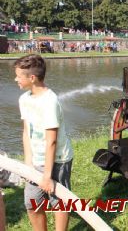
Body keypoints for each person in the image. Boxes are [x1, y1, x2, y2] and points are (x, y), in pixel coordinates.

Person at [14, 54, 73, 231]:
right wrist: (28, 161)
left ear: (32, 78)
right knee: (32, 204)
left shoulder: (49, 101)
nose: (15, 78)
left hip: (57, 160)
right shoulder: (24, 99)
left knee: (59, 202)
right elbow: (26, 131)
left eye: (18, 75)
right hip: (36, 161)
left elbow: (52, 141)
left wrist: (47, 176)